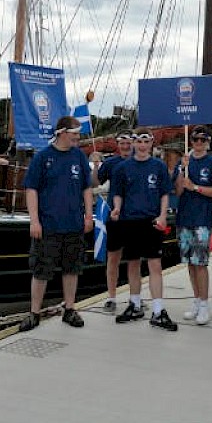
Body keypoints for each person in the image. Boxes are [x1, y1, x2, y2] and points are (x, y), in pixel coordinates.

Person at [19, 115, 94, 332]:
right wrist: (34, 221)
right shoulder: (43, 157)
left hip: (73, 223)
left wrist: (88, 216)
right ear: (61, 133)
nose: (77, 139)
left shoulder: (79, 157)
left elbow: (86, 188)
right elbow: (31, 189)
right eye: (74, 135)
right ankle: (34, 312)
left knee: (72, 268)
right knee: (41, 269)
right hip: (48, 223)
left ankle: (69, 309)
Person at [108, 127, 178, 331]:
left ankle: (158, 310)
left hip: (152, 221)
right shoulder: (122, 168)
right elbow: (118, 193)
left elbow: (165, 193)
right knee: (132, 264)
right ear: (134, 143)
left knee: (155, 265)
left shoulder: (158, 166)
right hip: (129, 220)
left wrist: (163, 215)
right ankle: (135, 304)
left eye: (146, 141)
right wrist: (117, 208)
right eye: (139, 141)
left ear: (151, 143)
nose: (142, 145)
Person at [174, 125, 212, 325]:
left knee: (201, 264)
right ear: (191, 141)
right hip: (183, 219)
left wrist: (195, 187)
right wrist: (180, 170)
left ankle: (204, 304)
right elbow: (177, 191)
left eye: (203, 140)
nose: (199, 143)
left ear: (208, 142)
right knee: (190, 263)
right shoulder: (184, 162)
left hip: (201, 220)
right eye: (196, 140)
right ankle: (196, 300)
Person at [90, 130, 134, 315]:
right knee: (113, 258)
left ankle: (135, 298)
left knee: (134, 260)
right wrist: (95, 166)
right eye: (122, 143)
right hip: (115, 217)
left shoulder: (141, 162)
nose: (125, 147)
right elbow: (95, 182)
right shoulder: (111, 163)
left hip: (136, 217)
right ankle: (111, 297)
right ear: (118, 145)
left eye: (128, 143)